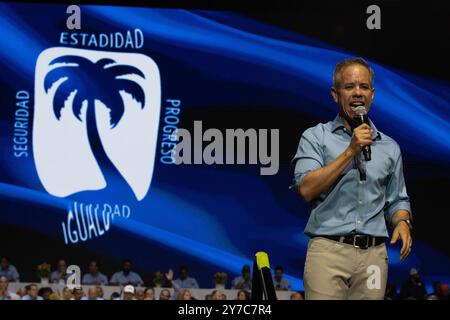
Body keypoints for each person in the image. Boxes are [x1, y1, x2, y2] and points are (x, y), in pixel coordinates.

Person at [291, 57, 413, 300]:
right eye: (349, 87)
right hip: (328, 251)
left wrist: (402, 222)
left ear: (372, 94)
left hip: (374, 257)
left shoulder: (389, 147)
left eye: (364, 87)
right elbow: (306, 189)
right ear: (335, 95)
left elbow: (397, 200)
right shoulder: (316, 137)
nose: (357, 93)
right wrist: (350, 151)